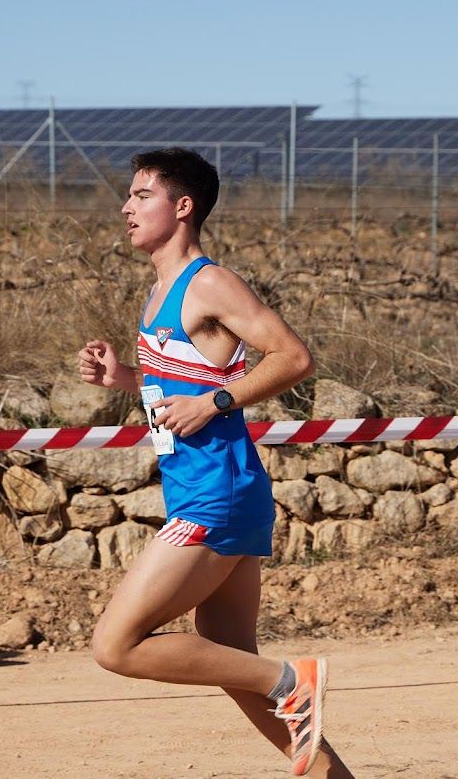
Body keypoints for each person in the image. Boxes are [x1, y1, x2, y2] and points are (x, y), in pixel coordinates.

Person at [78, 147, 351, 777]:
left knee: (115, 645)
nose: (126, 206)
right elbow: (180, 383)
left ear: (183, 206)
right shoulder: (160, 293)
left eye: (142, 195)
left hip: (216, 496)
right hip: (205, 491)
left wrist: (218, 402)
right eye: (128, 194)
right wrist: (126, 378)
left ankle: (291, 677)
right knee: (233, 665)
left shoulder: (209, 282)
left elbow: (292, 357)